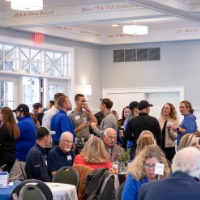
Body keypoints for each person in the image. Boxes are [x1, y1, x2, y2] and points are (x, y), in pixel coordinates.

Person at [9, 104, 36, 181]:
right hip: (25, 157)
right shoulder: (29, 121)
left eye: (17, 112)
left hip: (21, 158)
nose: (16, 114)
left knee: (12, 181)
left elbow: (11, 137)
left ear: (22, 112)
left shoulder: (23, 123)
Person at [0, 107, 20, 172]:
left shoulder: (4, 128)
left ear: (4, 115)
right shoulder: (14, 127)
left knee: (3, 177)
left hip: (4, 156)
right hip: (12, 155)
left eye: (1, 113)